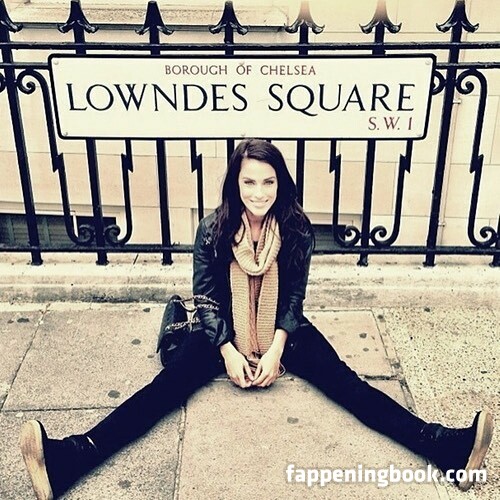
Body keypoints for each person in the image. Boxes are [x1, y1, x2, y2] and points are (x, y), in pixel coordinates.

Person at [20, 139, 493, 499]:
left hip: (282, 329)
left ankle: (446, 448)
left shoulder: (296, 228)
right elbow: (206, 299)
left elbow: (294, 297)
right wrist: (227, 350)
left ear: (280, 183)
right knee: (162, 391)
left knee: (350, 387)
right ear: (236, 184)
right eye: (249, 182)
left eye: (268, 182)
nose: (259, 192)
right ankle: (69, 459)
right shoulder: (213, 228)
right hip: (221, 329)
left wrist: (277, 348)